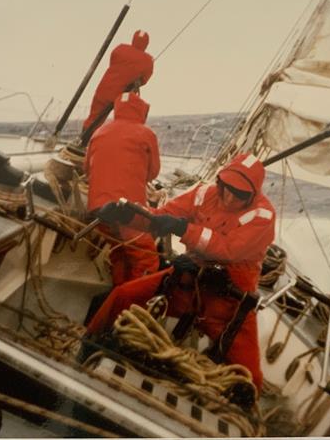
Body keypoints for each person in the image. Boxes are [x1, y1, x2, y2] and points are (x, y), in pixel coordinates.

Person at [86, 153, 275, 391]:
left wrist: (184, 228)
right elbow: (160, 218)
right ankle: (87, 347)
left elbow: (228, 250)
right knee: (123, 295)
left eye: (238, 193)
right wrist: (128, 214)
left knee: (251, 380)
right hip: (187, 279)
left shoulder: (263, 215)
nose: (228, 196)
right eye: (225, 186)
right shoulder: (203, 194)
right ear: (220, 180)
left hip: (229, 302)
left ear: (252, 194)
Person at [85, 90, 160, 284]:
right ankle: (129, 308)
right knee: (147, 260)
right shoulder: (145, 133)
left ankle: (119, 293)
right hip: (127, 211)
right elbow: (153, 172)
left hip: (98, 210)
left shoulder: (98, 132)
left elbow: (87, 170)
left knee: (120, 254)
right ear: (141, 112)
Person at [82, 29, 154, 134]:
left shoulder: (120, 49)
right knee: (124, 122)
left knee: (93, 118)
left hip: (105, 89)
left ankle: (83, 141)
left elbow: (112, 62)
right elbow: (144, 79)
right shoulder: (148, 60)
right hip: (123, 97)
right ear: (146, 44)